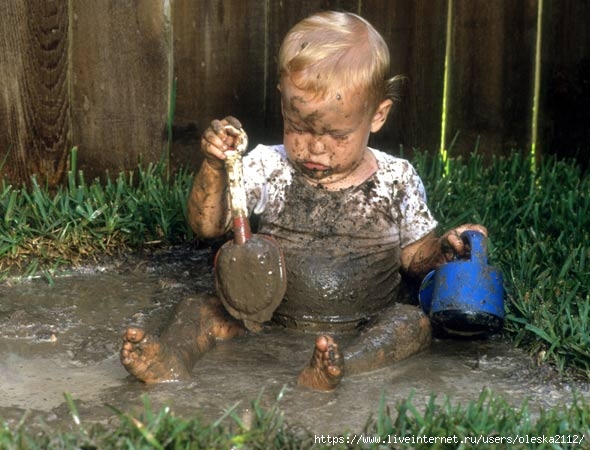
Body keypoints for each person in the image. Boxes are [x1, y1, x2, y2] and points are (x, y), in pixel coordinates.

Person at [120, 10, 487, 391]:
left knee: (412, 324)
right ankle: (173, 358)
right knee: (199, 309)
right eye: (298, 127)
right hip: (262, 314)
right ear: (283, 102)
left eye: (336, 134)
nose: (314, 146)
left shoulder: (395, 179)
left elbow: (414, 258)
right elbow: (207, 225)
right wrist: (216, 166)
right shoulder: (270, 166)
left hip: (365, 319)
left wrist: (444, 250)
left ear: (377, 116)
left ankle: (342, 366)